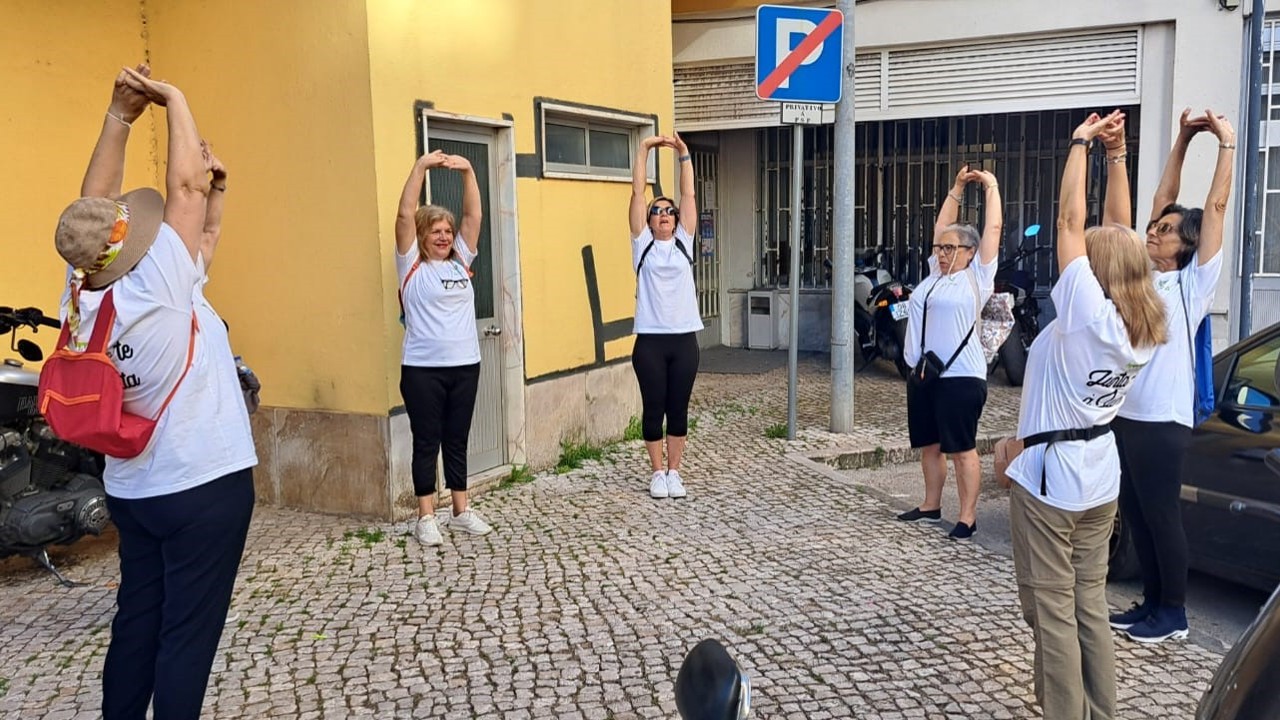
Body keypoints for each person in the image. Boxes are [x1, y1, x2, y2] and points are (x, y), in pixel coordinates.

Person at [52, 65, 258, 719]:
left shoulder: (84, 294)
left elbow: (96, 209)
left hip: (136, 492)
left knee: (139, 620)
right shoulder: (158, 281)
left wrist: (119, 115)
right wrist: (175, 101)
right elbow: (184, 186)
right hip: (203, 485)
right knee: (185, 640)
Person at [1007, 110, 1167, 720]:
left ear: (1094, 276)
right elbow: (1115, 231)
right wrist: (1117, 155)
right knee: (1088, 607)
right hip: (1099, 474)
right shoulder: (1140, 323)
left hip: (1054, 483)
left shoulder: (1085, 316)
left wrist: (1078, 144)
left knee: (1051, 616)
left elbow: (1073, 221)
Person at [1104, 108, 1235, 643]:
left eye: (1165, 232)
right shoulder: (1142, 275)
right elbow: (1163, 195)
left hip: (1164, 419)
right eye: (1154, 230)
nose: (1154, 234)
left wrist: (1224, 143)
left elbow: (1216, 205)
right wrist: (1179, 137)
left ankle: (1174, 614)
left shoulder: (1193, 284)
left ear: (1186, 244)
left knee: (1161, 514)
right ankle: (1151, 604)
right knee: (1135, 512)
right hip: (1129, 412)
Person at [897, 164, 1003, 540]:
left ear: (971, 252)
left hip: (960, 377)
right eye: (940, 248)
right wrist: (957, 187)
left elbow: (992, 230)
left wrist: (990, 186)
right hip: (923, 373)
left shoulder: (977, 277)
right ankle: (930, 504)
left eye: (950, 248)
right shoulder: (933, 276)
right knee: (929, 445)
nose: (942, 253)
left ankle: (968, 516)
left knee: (961, 449)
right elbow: (942, 226)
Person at [396, 148, 492, 545]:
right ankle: (425, 516)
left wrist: (469, 169)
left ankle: (460, 509)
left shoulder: (460, 263)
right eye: (435, 230)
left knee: (456, 438)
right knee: (426, 441)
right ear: (421, 235)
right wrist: (420, 166)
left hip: (465, 365)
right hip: (422, 369)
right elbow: (403, 214)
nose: (444, 236)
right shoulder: (411, 265)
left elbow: (474, 217)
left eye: (447, 231)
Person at [629, 133, 702, 500]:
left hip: (684, 338)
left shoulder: (684, 243)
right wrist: (643, 149)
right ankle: (656, 473)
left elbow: (689, 196)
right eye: (656, 211)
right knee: (653, 407)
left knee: (679, 408)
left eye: (667, 211)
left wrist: (684, 155)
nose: (663, 215)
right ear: (649, 220)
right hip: (650, 342)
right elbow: (637, 193)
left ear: (676, 220)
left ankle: (675, 472)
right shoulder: (642, 245)